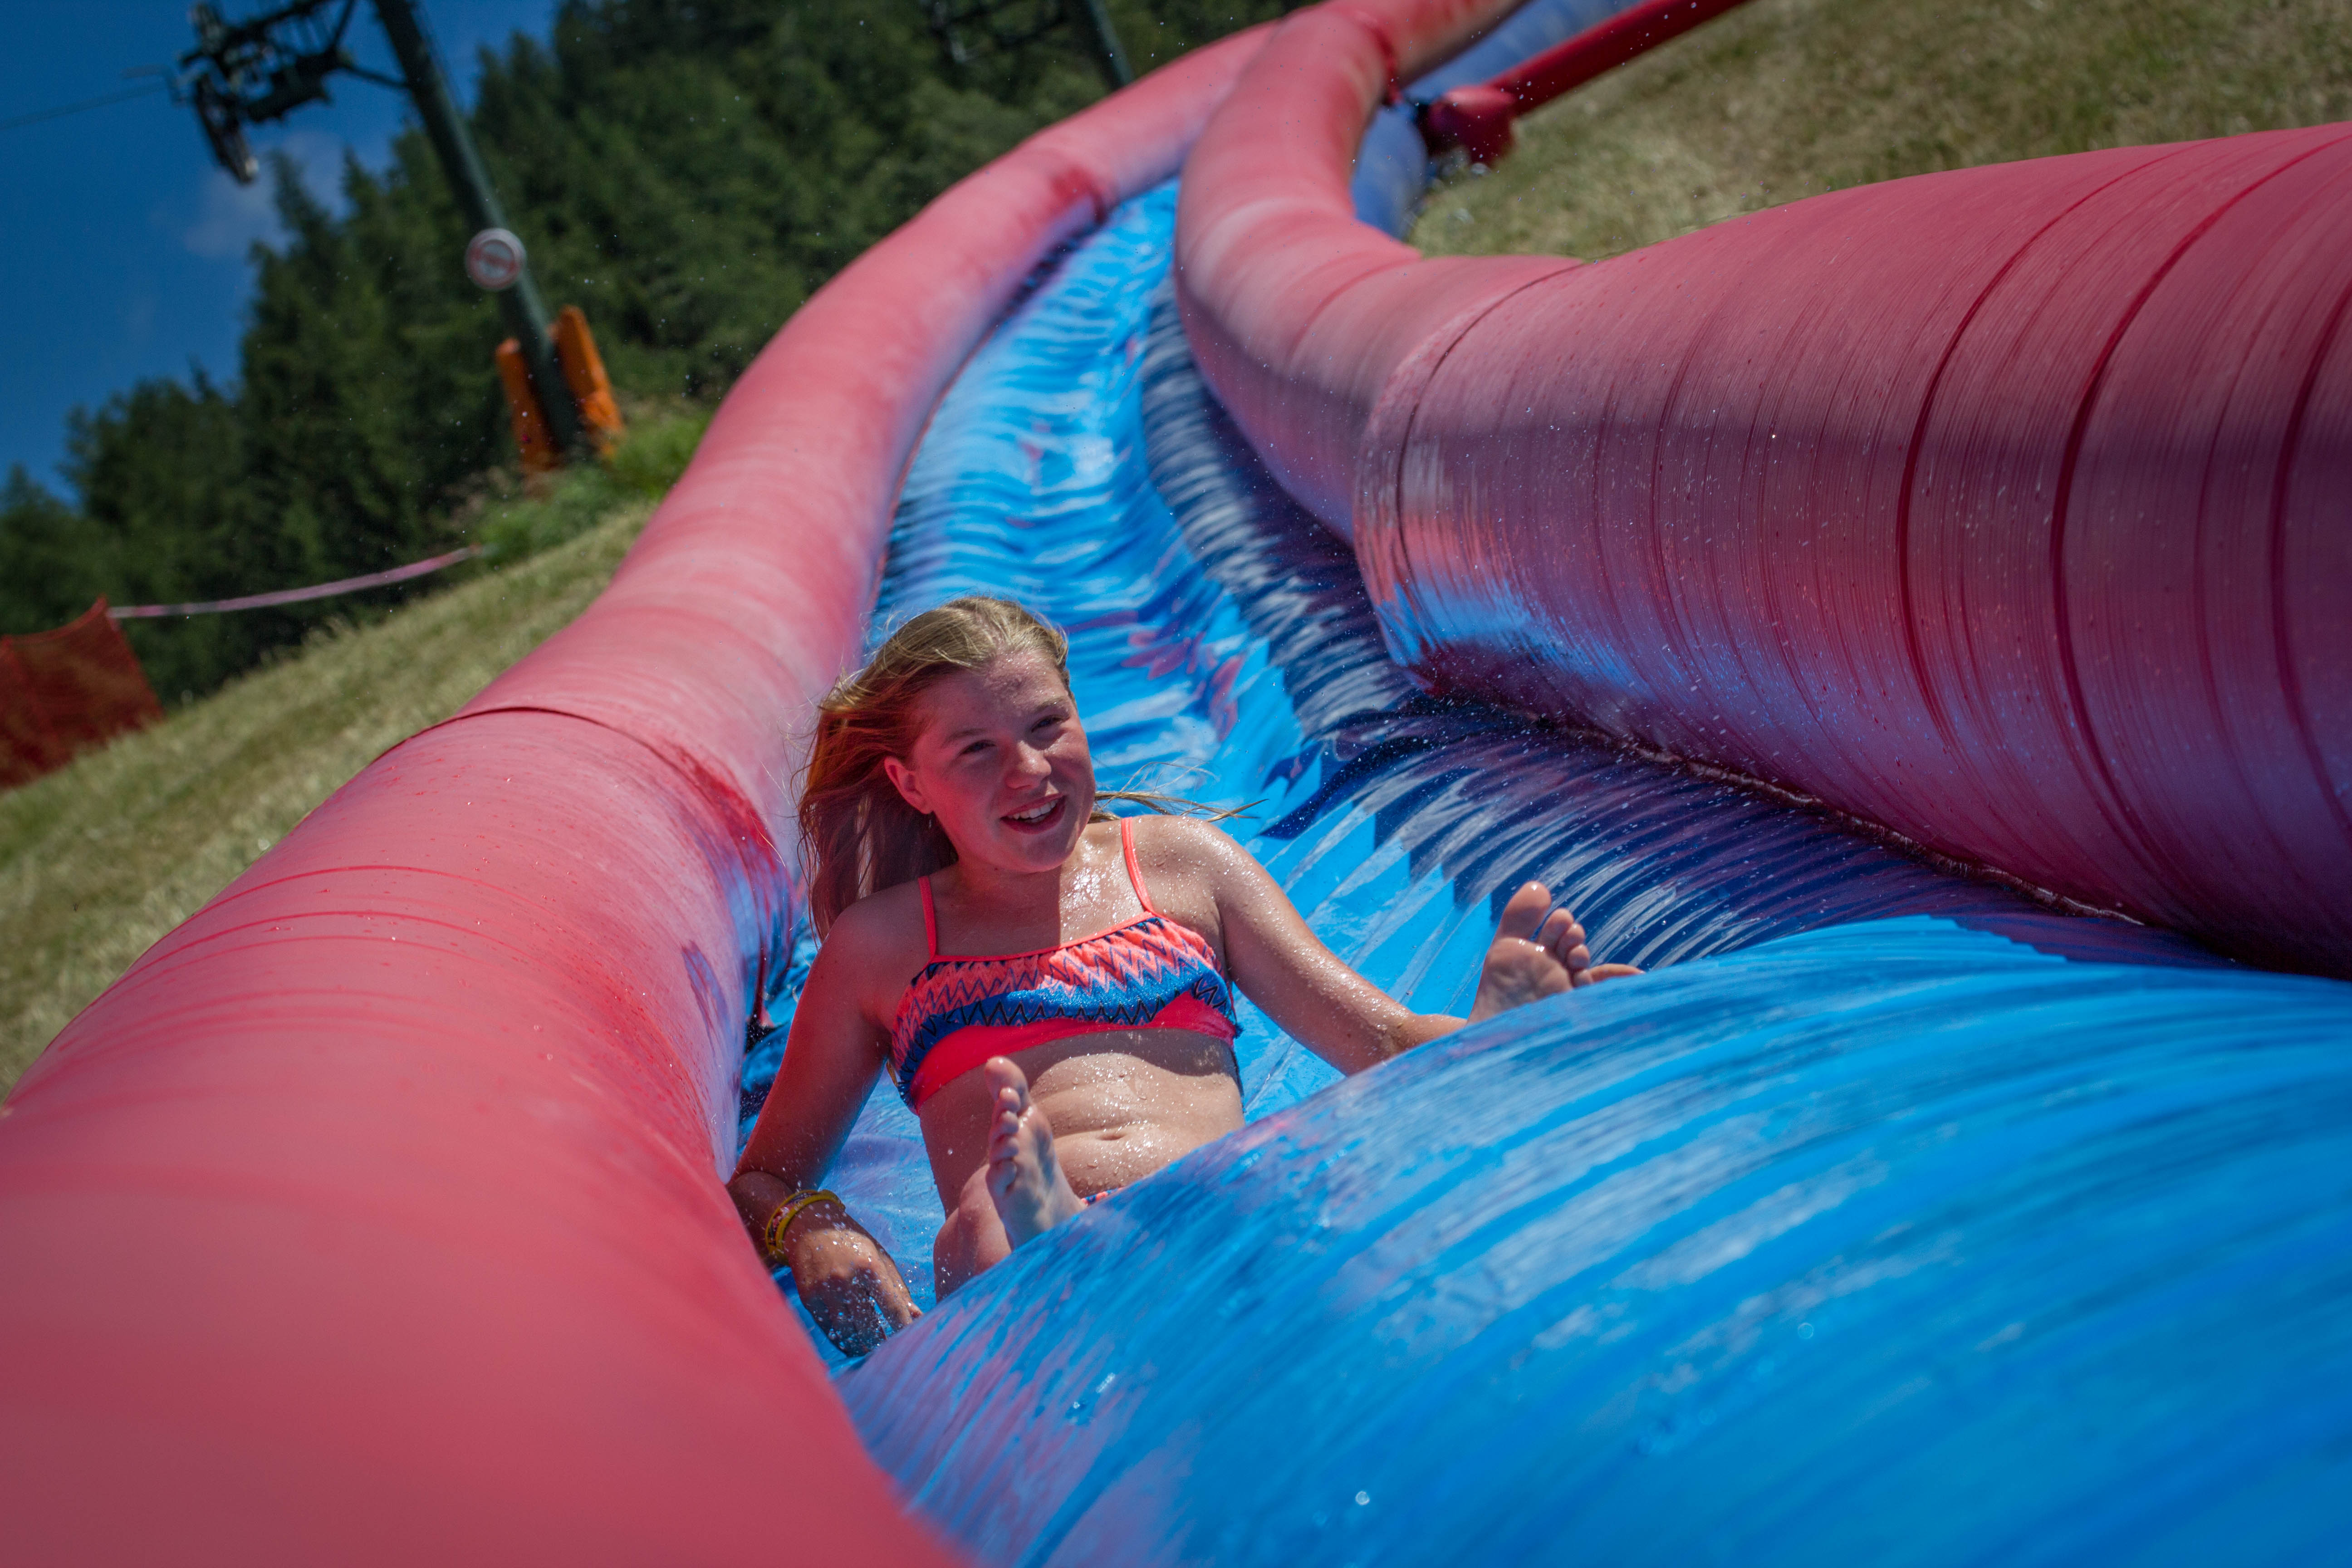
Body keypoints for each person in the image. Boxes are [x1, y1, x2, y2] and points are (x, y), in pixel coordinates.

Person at [730, 597, 1639, 1353]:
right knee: (980, 1225)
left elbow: (1384, 1043)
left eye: (1048, 724)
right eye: (976, 751)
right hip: (1005, 1251)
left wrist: (1520, 1043)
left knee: (1324, 1168)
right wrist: (813, 1227)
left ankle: (1505, 1034)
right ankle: (1049, 1238)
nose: (1030, 769)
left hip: (1214, 1206)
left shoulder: (1183, 866)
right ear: (911, 782)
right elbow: (766, 1173)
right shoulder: (881, 944)